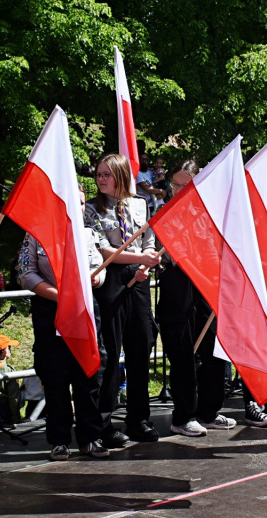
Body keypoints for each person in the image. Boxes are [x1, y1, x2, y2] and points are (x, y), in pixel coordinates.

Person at [18, 187, 109, 459]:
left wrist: (97, 279)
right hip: (51, 311)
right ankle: (59, 440)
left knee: (89, 375)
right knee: (56, 377)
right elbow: (25, 273)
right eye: (72, 203)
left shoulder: (89, 233)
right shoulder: (36, 233)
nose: (78, 208)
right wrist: (60, 295)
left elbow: (99, 269)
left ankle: (90, 437)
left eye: (81, 203)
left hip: (84, 311)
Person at [156, 164, 246, 434]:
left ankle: (209, 410)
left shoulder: (212, 217)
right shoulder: (164, 215)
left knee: (213, 348)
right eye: (175, 184)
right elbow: (164, 254)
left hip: (206, 287)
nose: (179, 190)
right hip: (177, 285)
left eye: (186, 186)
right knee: (182, 352)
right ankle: (183, 416)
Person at [85, 153, 161, 444]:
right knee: (111, 351)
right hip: (111, 279)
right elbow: (104, 250)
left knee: (141, 348)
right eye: (99, 174)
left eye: (107, 174)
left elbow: (149, 238)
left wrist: (145, 263)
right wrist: (139, 258)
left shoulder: (141, 203)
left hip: (139, 279)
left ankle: (139, 419)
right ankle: (105, 423)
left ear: (120, 175)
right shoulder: (92, 209)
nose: (101, 179)